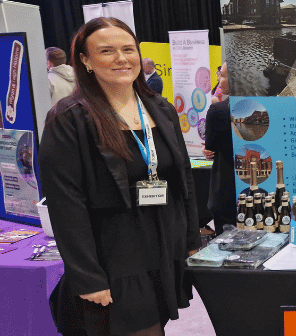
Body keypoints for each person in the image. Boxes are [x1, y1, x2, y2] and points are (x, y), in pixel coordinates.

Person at [39, 17, 201, 336]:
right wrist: (88, 276)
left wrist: (192, 242)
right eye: (106, 51)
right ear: (85, 60)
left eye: (128, 49)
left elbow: (184, 181)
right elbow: (65, 204)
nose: (121, 58)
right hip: (114, 257)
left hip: (163, 248)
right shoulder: (69, 119)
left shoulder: (160, 109)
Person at [202, 62, 236, 235]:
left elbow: (210, 148)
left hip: (226, 192)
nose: (219, 80)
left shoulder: (218, 111)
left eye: (222, 76)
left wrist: (207, 150)